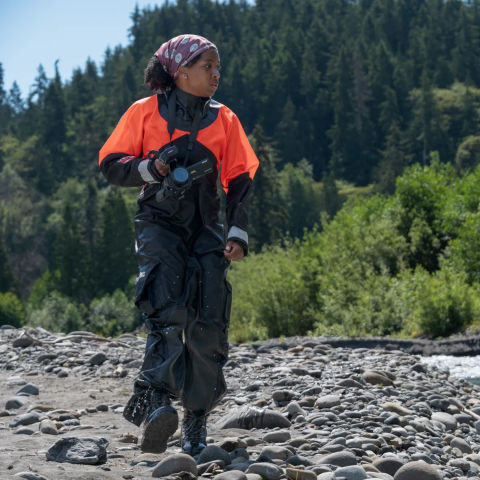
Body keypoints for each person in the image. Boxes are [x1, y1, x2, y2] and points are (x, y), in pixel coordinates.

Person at [98, 34, 259, 456]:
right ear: (180, 71)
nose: (216, 74)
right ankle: (154, 402)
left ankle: (196, 423)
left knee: (208, 326)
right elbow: (111, 164)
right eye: (207, 66)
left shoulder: (225, 119)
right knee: (167, 311)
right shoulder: (143, 111)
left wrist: (237, 232)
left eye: (218, 67)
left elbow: (240, 177)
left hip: (206, 229)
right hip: (158, 223)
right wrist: (150, 168)